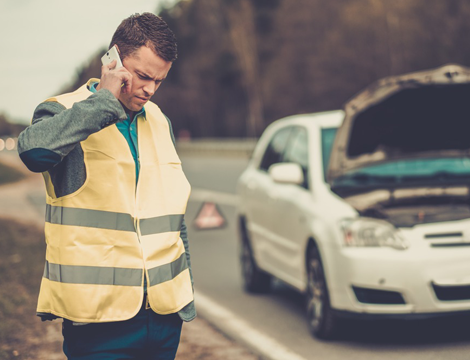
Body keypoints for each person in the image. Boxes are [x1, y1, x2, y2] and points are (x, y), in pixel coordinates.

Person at [17, 13, 195, 360]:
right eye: (143, 76)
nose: (150, 89)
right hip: (97, 326)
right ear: (113, 60)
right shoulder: (63, 111)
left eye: (159, 81)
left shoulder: (160, 122)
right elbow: (32, 151)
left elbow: (173, 216)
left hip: (163, 321)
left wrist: (185, 297)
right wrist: (104, 102)